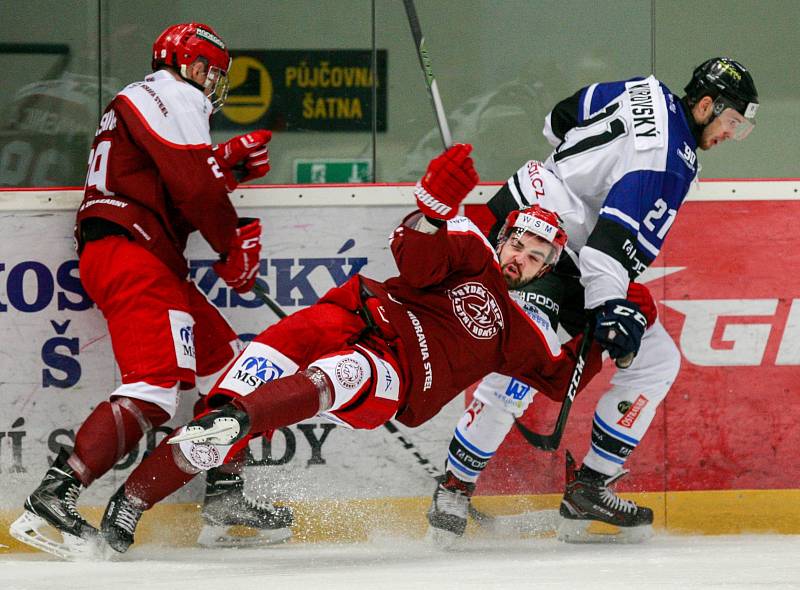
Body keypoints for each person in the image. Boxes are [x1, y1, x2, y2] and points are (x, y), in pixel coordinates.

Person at [89, 143, 649, 556]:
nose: (519, 258)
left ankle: (236, 426)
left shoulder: (520, 334)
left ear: (547, 269)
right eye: (517, 244)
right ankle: (137, 501)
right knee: (244, 375)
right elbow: (415, 257)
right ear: (503, 237)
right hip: (352, 312)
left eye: (534, 257)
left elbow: (561, 379)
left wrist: (618, 322)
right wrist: (431, 213)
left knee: (341, 374)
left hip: (394, 374)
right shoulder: (470, 254)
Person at [426, 57, 759, 543]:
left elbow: (560, 117)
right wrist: (608, 309)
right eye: (731, 122)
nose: (732, 133)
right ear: (706, 105)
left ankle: (589, 489)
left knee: (654, 359)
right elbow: (608, 248)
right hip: (547, 247)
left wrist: (576, 176)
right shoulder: (668, 160)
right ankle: (454, 489)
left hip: (527, 217)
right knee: (523, 358)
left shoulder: (647, 89)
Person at [8, 22, 291, 560]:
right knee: (156, 388)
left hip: (148, 257)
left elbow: (173, 183)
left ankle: (225, 498)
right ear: (190, 67)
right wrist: (232, 244)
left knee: (234, 370)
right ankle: (53, 499)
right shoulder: (168, 92)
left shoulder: (152, 101)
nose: (213, 83)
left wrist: (223, 167)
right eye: (211, 71)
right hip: (131, 256)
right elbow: (191, 186)